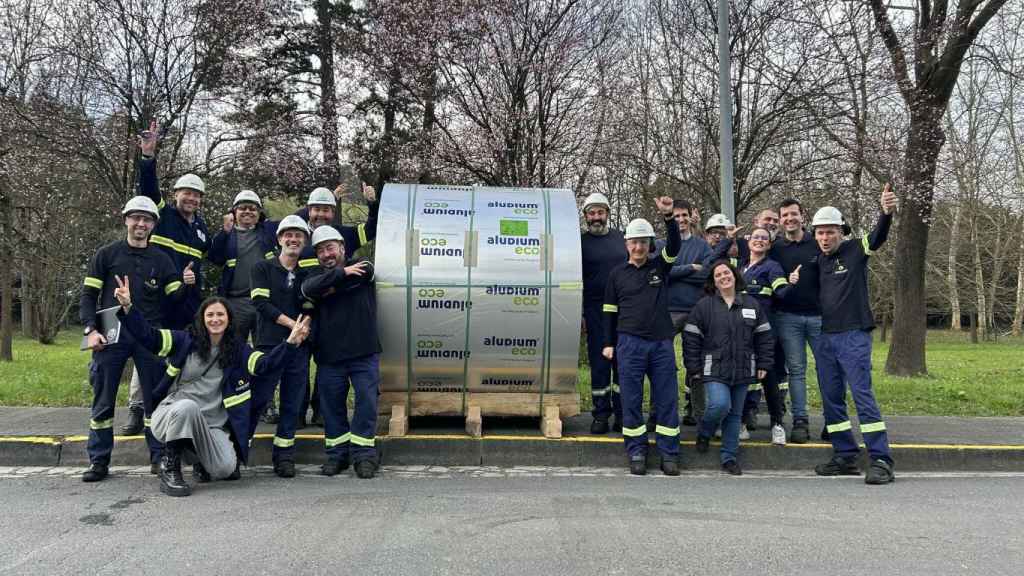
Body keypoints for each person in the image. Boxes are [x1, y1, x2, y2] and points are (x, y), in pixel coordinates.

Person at [112, 279, 310, 496]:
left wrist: (290, 343)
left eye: (220, 315)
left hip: (210, 426)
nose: (215, 319)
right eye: (210, 315)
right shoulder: (184, 340)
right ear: (202, 319)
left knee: (225, 469)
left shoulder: (239, 350)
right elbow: (150, 337)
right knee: (187, 407)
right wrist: (128, 307)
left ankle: (197, 458)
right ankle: (170, 468)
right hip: (172, 414)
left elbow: (265, 365)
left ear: (229, 319)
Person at [790, 183, 898, 484]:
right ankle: (845, 455)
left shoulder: (855, 250)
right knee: (831, 397)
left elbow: (878, 237)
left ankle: (881, 460)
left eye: (830, 232)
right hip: (826, 336)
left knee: (862, 395)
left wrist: (886, 213)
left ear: (842, 231)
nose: (825, 238)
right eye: (820, 232)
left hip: (854, 334)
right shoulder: (817, 260)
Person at [79, 196, 186, 482]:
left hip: (148, 334)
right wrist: (91, 330)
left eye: (147, 219)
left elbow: (175, 301)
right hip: (109, 331)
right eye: (136, 217)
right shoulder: (106, 255)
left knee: (154, 399)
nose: (141, 223)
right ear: (126, 219)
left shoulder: (163, 259)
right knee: (103, 401)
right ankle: (98, 461)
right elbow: (88, 296)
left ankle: (158, 457)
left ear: (153, 225)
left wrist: (186, 284)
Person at [601, 196, 681, 476]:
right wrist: (608, 343)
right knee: (631, 400)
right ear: (627, 245)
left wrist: (669, 217)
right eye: (634, 242)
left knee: (666, 398)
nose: (638, 247)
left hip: (660, 343)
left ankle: (669, 453)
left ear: (650, 245)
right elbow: (609, 311)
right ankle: (636, 451)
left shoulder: (660, 267)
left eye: (643, 242)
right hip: (628, 344)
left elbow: (675, 246)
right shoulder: (617, 275)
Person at [301, 226, 382, 479]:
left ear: (342, 248)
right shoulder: (312, 276)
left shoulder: (363, 264)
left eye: (330, 248)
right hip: (329, 356)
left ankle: (365, 456)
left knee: (366, 404)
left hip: (363, 352)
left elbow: (363, 274)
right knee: (331, 407)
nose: (326, 254)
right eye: (321, 250)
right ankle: (337, 456)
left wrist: (330, 287)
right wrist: (342, 274)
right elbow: (307, 290)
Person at [297, 184, 380, 427]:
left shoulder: (344, 235)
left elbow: (370, 230)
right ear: (308, 210)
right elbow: (304, 285)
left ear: (334, 213)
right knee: (301, 368)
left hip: (334, 319)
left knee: (327, 367)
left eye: (327, 210)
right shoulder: (299, 236)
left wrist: (372, 204)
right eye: (316, 210)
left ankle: (321, 411)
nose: (321, 215)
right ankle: (299, 414)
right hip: (301, 316)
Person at [684, 260, 774, 475]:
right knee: (720, 405)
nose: (723, 277)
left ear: (734, 276)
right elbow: (691, 337)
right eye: (718, 275)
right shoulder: (704, 306)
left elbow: (765, 337)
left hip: (743, 368)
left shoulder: (751, 304)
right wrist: (693, 366)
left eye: (726, 273)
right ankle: (705, 431)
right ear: (713, 282)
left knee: (735, 415)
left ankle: (729, 457)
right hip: (714, 367)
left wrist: (764, 363)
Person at [711, 225, 791, 445]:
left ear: (769, 244)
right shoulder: (741, 266)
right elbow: (716, 261)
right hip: (741, 333)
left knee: (769, 378)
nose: (759, 240)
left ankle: (777, 425)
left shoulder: (772, 267)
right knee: (744, 378)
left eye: (764, 238)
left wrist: (792, 283)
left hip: (764, 331)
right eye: (755, 237)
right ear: (748, 241)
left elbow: (782, 292)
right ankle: (742, 424)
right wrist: (728, 239)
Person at [250, 215, 316, 477]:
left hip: (298, 348)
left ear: (304, 242)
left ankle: (284, 455)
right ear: (279, 240)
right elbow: (261, 304)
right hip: (269, 345)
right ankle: (238, 449)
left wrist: (304, 327)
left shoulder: (306, 275)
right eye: (288, 235)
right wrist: (294, 327)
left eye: (298, 236)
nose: (293, 239)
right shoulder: (262, 269)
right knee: (259, 399)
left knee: (292, 402)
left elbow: (311, 306)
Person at [769, 198, 822, 443]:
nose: (789, 219)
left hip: (820, 318)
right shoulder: (776, 248)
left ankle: (834, 420)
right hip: (788, 318)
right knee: (797, 372)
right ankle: (801, 421)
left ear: (803, 216)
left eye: (793, 214)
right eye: (784, 216)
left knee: (828, 370)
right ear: (780, 221)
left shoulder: (817, 243)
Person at [655, 200, 712, 427]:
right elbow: (661, 273)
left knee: (696, 364)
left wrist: (674, 272)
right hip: (667, 311)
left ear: (691, 217)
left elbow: (706, 273)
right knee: (661, 363)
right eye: (676, 216)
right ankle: (658, 413)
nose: (680, 220)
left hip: (695, 311)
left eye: (684, 215)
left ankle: (696, 413)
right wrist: (689, 268)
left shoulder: (702, 246)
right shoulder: (661, 244)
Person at [580, 192, 625, 434]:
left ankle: (621, 414)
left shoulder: (622, 238)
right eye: (591, 213)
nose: (596, 217)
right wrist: (581, 315)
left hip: (623, 309)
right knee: (599, 364)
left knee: (622, 362)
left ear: (607, 213)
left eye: (600, 212)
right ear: (586, 216)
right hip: (594, 310)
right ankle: (600, 415)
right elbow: (576, 280)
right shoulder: (580, 242)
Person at [208, 190, 278, 343]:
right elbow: (214, 258)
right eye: (243, 208)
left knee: (264, 349)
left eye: (252, 208)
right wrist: (224, 232)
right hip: (235, 303)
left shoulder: (268, 231)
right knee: (233, 350)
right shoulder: (227, 235)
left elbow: (297, 219)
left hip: (264, 302)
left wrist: (328, 198)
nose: (248, 211)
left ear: (259, 213)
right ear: (234, 212)